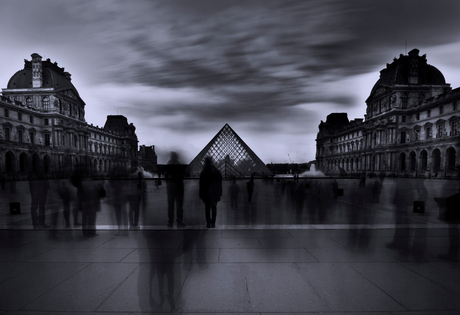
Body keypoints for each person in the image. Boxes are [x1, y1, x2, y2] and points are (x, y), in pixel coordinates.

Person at [199, 156, 222, 228]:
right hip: (214, 193)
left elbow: (201, 184)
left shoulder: (203, 172)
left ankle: (208, 223)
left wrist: (201, 194)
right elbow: (219, 183)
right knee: (214, 207)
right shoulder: (216, 171)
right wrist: (219, 193)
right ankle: (213, 222)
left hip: (206, 193)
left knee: (207, 208)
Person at [165, 152, 185, 227]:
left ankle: (170, 222)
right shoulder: (178, 164)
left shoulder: (168, 164)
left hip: (171, 189)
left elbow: (166, 177)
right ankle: (179, 222)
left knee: (171, 206)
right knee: (179, 206)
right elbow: (182, 176)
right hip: (179, 188)